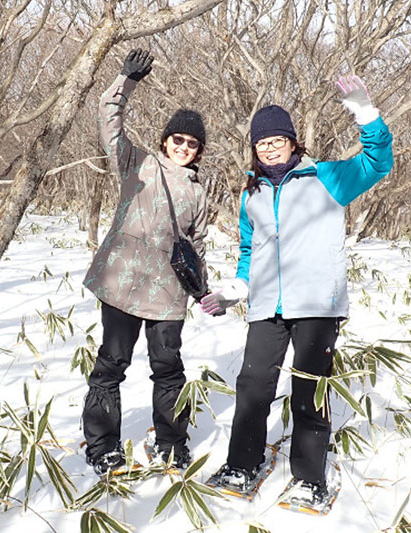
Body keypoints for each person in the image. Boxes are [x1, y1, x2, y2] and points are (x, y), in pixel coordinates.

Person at [200, 75, 393, 504]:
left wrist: (365, 112)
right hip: (267, 305)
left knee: (310, 391)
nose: (268, 148)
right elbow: (251, 249)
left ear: (291, 142)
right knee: (252, 386)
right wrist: (238, 285)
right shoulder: (252, 193)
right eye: (260, 143)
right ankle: (243, 463)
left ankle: (309, 477)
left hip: (317, 305)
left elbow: (378, 162)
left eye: (275, 140)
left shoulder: (325, 178)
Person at [81, 49, 209, 476]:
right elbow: (108, 121)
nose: (184, 148)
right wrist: (125, 82)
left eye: (192, 144)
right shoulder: (137, 163)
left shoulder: (198, 189)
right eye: (178, 140)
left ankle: (172, 444)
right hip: (123, 283)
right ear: (165, 140)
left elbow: (197, 243)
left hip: (169, 293)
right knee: (111, 365)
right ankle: (102, 447)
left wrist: (203, 289)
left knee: (169, 369)